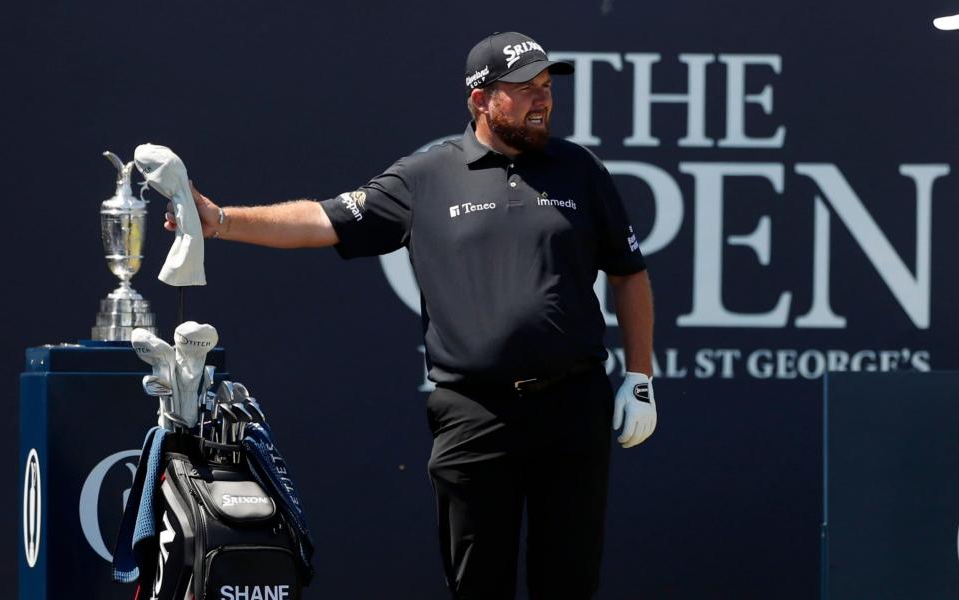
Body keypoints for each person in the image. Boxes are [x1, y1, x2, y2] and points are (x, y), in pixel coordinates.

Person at [167, 31, 657, 600]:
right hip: (475, 413)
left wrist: (640, 378)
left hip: (572, 407)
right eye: (524, 89)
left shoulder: (581, 170)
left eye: (546, 87)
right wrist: (220, 220)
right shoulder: (425, 177)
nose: (542, 99)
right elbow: (322, 222)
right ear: (481, 99)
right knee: (477, 585)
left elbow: (629, 272)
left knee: (569, 583)